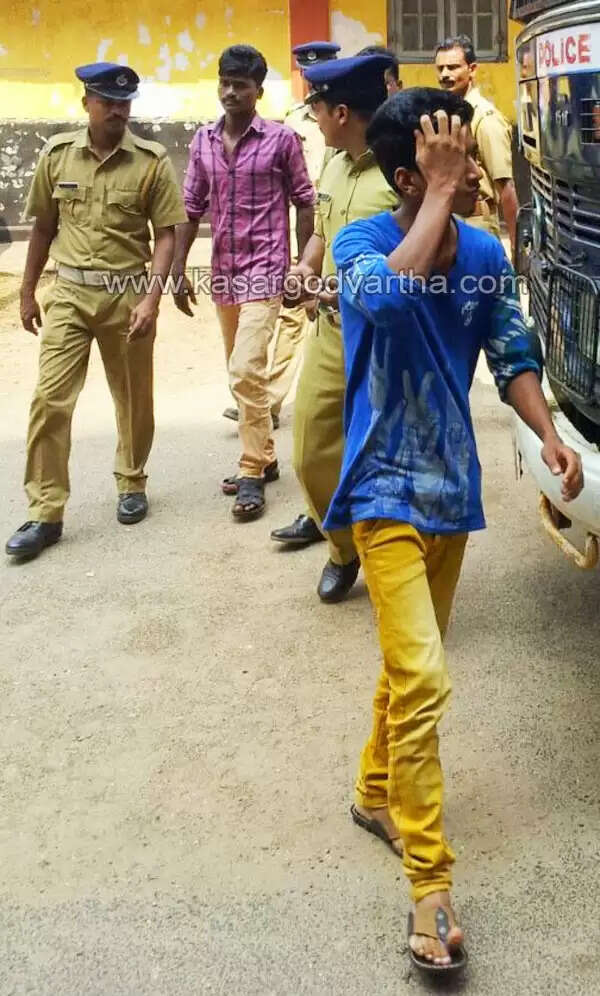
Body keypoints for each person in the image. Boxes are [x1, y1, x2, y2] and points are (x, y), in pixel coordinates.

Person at [326, 88, 583, 971]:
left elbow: (510, 350)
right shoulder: (359, 245)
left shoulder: (480, 254)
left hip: (450, 495)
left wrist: (548, 433)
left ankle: (374, 792)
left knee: (411, 666)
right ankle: (430, 886)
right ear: (409, 177)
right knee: (426, 677)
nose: (474, 172)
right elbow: (387, 304)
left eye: (468, 158)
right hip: (382, 492)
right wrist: (439, 195)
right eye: (454, 161)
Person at [5, 62, 186, 560]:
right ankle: (45, 511)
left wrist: (152, 299)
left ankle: (131, 480)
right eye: (108, 101)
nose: (117, 110)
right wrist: (27, 292)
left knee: (132, 397)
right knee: (50, 399)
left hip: (127, 293)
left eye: (124, 102)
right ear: (87, 102)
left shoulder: (151, 161)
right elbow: (43, 227)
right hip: (68, 292)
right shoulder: (57, 154)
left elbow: (166, 235)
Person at [272, 53, 399, 601]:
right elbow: (321, 233)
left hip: (385, 339)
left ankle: (392, 556)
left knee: (386, 455)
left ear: (341, 113)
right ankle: (343, 549)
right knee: (310, 452)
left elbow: (421, 254)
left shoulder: (400, 167)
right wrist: (305, 266)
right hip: (330, 331)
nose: (314, 120)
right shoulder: (332, 162)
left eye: (318, 110)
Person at [172, 45, 314, 522]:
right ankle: (266, 456)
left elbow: (305, 200)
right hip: (224, 273)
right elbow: (190, 208)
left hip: (266, 270)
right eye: (225, 83)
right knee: (239, 370)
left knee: (244, 369)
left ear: (258, 91)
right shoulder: (203, 141)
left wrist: (303, 267)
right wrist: (176, 269)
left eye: (241, 85)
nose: (231, 92)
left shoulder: (282, 140)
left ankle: (252, 469)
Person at [222, 40, 338, 447]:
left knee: (314, 313)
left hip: (335, 216)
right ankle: (267, 398)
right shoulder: (292, 120)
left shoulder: (341, 112)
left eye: (319, 71)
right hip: (304, 226)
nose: (311, 79)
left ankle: (271, 398)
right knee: (290, 317)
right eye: (306, 71)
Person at [435, 35, 518, 255]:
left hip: (477, 223)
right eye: (440, 68)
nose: (444, 75)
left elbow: (506, 188)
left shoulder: (486, 119)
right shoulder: (448, 114)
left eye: (453, 67)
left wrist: (517, 251)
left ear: (472, 69)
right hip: (450, 221)